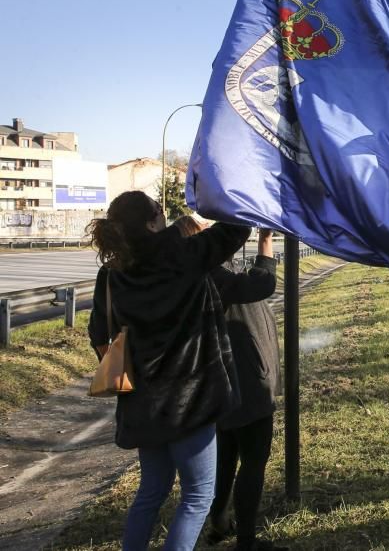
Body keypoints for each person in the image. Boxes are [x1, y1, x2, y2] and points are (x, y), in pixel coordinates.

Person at [86, 192, 250, 551]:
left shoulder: (110, 275)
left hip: (142, 403)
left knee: (151, 491)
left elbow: (98, 335)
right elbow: (236, 229)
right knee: (197, 496)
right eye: (159, 211)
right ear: (152, 220)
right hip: (190, 400)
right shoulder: (184, 255)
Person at [173, 219, 287, 551]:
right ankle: (246, 541)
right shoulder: (210, 274)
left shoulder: (187, 274)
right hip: (245, 379)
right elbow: (262, 284)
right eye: (205, 228)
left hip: (217, 381)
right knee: (253, 459)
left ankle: (219, 523)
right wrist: (266, 240)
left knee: (226, 457)